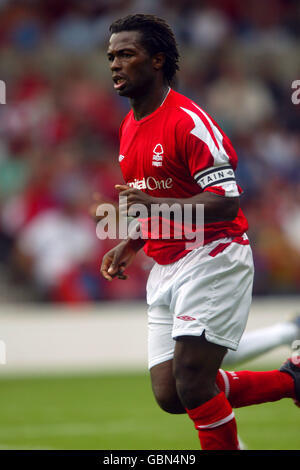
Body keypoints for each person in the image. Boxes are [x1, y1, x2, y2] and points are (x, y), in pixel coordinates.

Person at [101, 14, 300, 450]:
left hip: (214, 254)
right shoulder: (129, 127)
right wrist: (131, 242)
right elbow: (156, 198)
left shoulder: (187, 121)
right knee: (172, 395)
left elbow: (226, 200)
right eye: (112, 56)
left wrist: (155, 206)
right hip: (167, 263)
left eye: (126, 55)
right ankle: (292, 381)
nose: (115, 64)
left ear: (157, 61)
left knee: (193, 381)